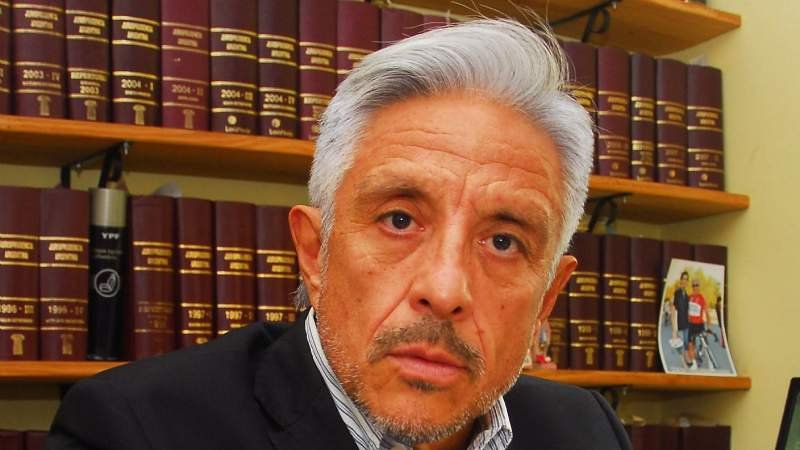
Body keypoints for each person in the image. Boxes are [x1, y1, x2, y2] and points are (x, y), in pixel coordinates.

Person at [46, 19, 632, 450]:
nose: (445, 289)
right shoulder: (132, 431)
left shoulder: (588, 432)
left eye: (503, 242)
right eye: (399, 220)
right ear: (313, 252)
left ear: (548, 296)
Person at [671, 271, 691, 367]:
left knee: (686, 341)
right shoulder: (677, 293)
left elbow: (687, 310)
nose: (685, 281)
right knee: (679, 343)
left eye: (686, 279)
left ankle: (686, 357)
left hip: (686, 322)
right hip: (678, 321)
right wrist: (673, 325)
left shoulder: (686, 295)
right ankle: (683, 361)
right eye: (683, 279)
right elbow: (673, 308)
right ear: (681, 280)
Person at [687, 279, 709, 369]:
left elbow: (706, 312)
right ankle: (693, 363)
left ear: (699, 286)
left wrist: (708, 326)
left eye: (697, 285)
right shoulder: (689, 297)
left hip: (700, 325)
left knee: (702, 344)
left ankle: (698, 357)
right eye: (693, 285)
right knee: (690, 344)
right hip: (690, 325)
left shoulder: (702, 297)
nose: (695, 287)